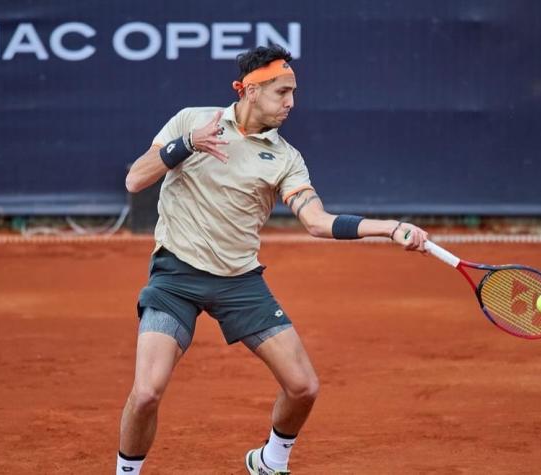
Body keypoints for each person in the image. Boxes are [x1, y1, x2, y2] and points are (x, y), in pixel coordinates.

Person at [118, 44, 428, 475]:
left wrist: (390, 227)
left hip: (239, 281)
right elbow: (136, 179)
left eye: (293, 92)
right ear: (247, 90)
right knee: (148, 391)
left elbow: (318, 222)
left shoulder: (285, 158)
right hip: (176, 276)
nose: (291, 103)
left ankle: (269, 461)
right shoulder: (192, 120)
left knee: (303, 387)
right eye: (282, 92)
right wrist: (186, 144)